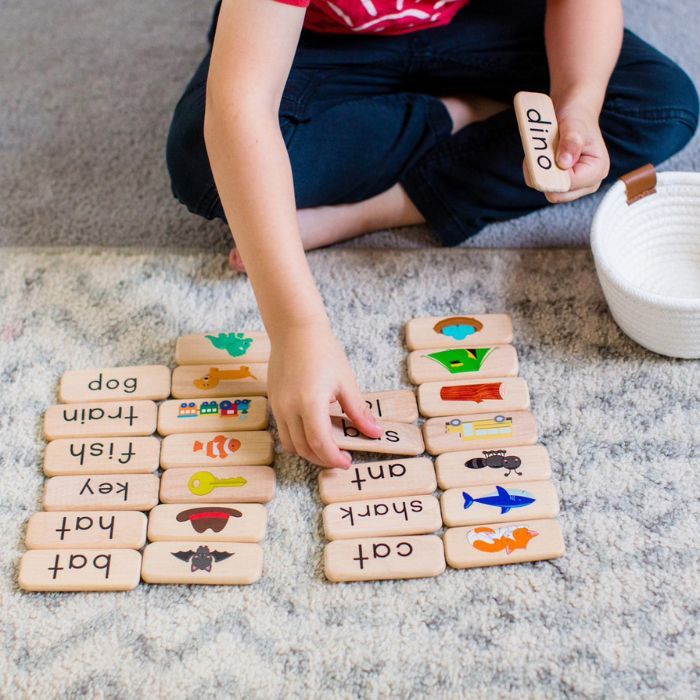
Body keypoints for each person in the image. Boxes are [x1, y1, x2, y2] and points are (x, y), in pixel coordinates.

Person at [166, 0, 698, 469]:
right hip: (321, 38)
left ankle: (377, 209)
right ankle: (456, 112)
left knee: (659, 105)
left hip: (486, 19)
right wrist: (297, 330)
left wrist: (575, 102)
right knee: (205, 167)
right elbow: (241, 106)